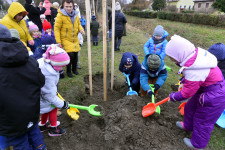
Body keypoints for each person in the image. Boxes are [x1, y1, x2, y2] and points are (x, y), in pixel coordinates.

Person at [165, 35, 225, 150]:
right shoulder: (193, 58)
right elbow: (190, 74)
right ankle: (188, 126)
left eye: (172, 57)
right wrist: (183, 81)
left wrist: (173, 96)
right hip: (205, 90)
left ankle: (198, 145)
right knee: (190, 107)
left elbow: (186, 93)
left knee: (202, 120)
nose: (171, 60)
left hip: (214, 97)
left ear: (180, 54)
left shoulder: (196, 68)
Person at [0, 24, 46, 149]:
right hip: (31, 112)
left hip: (10, 120)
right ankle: (41, 147)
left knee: (20, 143)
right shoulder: (28, 59)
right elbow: (41, 81)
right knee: (34, 132)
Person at [38, 44, 70, 136]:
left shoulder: (44, 63)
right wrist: (63, 104)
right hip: (42, 97)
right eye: (62, 66)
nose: (63, 67)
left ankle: (42, 125)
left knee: (45, 109)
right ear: (55, 64)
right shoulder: (48, 76)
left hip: (39, 95)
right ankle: (53, 129)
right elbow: (50, 96)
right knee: (53, 108)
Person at [54, 0, 85, 78]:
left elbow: (78, 24)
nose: (68, 8)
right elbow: (56, 29)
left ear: (73, 6)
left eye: (70, 6)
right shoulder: (60, 16)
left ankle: (74, 69)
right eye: (66, 6)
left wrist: (81, 29)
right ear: (63, 6)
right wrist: (58, 41)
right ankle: (68, 71)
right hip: (65, 39)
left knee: (76, 55)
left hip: (75, 39)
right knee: (70, 55)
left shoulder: (76, 14)